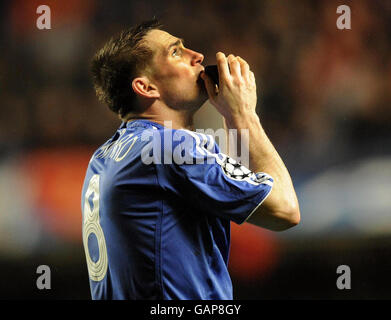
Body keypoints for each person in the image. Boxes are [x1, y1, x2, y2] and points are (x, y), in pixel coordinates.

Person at [81, 19, 300, 300]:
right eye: (175, 52)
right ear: (146, 87)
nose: (197, 56)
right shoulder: (169, 146)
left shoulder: (104, 156)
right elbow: (284, 210)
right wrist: (244, 114)